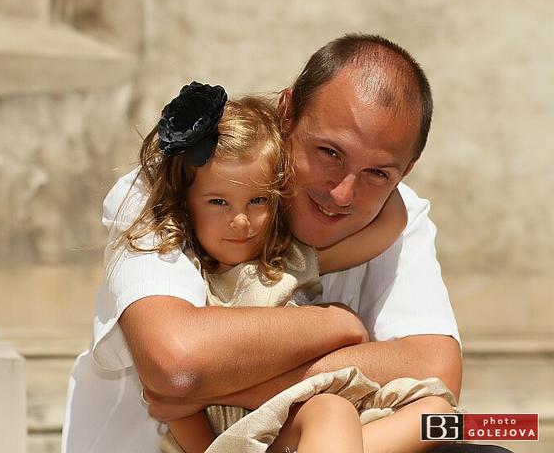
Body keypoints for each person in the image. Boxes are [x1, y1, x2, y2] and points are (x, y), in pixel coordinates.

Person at [61, 34, 512, 453]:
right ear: (287, 113)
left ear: (405, 171)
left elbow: (438, 370)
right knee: (334, 411)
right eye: (329, 153)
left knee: (475, 429)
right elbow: (177, 364)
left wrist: (227, 383)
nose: (343, 194)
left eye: (378, 173)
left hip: (331, 433)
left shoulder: (394, 210)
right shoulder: (177, 186)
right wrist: (337, 323)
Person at [119, 82, 456, 453]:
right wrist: (340, 322)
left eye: (258, 200)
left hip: (304, 415)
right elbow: (172, 398)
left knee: (443, 420)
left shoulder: (287, 257)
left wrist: (375, 171)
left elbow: (393, 219)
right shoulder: (189, 278)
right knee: (331, 411)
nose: (240, 221)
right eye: (218, 202)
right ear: (187, 206)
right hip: (241, 434)